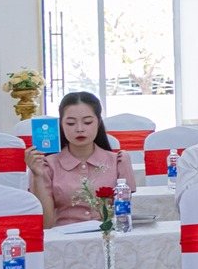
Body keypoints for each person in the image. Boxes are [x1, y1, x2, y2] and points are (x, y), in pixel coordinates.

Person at [26, 91, 136, 227]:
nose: (79, 129)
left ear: (99, 122)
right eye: (71, 123)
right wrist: (38, 177)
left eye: (87, 122)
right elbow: (45, 225)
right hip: (63, 238)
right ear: (61, 124)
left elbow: (124, 216)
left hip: (107, 236)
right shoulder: (45, 165)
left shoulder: (118, 161)